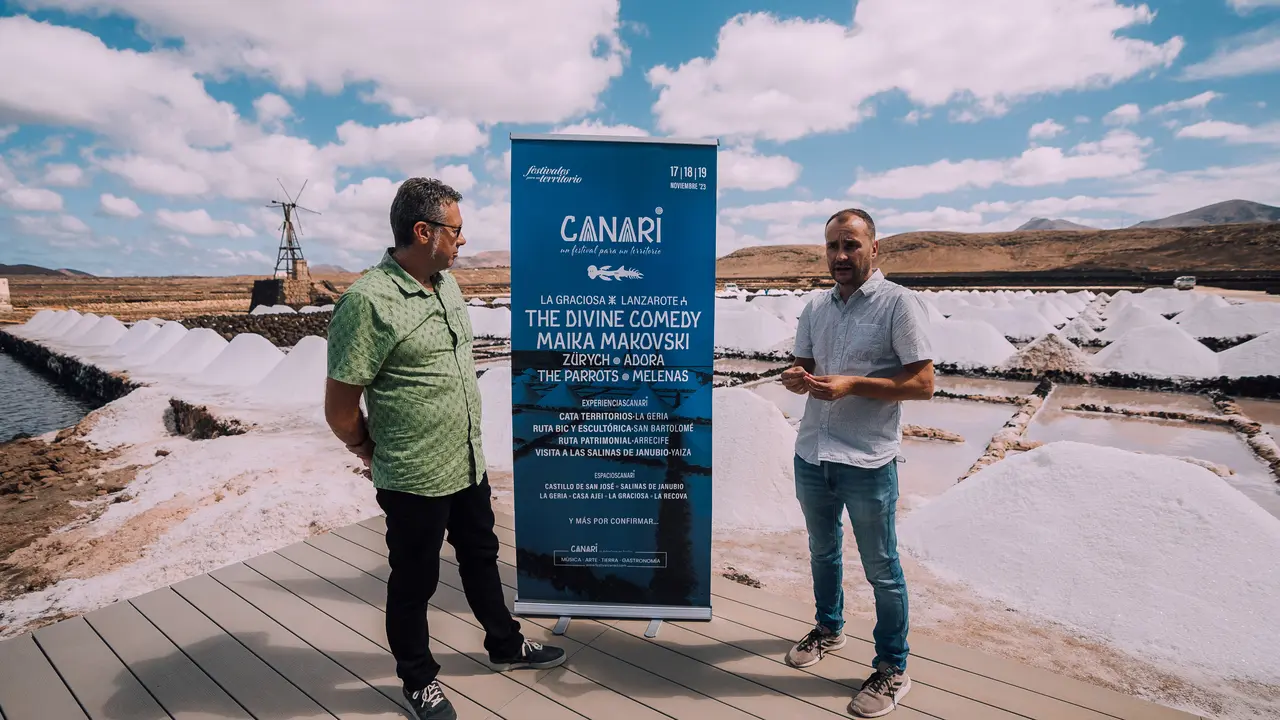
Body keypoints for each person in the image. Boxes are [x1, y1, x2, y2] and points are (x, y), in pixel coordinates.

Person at [324, 177, 565, 720]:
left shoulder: (445, 284)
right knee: (415, 580)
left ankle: (504, 645)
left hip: (466, 461)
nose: (462, 240)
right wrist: (365, 445)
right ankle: (418, 680)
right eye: (455, 231)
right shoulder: (368, 302)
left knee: (481, 558)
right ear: (422, 231)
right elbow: (340, 408)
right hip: (413, 475)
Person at [778, 208, 935, 718]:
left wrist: (853, 384)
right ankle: (829, 629)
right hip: (812, 452)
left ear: (874, 248)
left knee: (882, 568)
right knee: (822, 552)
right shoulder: (816, 308)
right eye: (832, 247)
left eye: (850, 245)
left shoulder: (898, 305)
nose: (840, 256)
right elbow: (806, 364)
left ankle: (893, 668)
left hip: (867, 460)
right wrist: (796, 377)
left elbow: (923, 384)